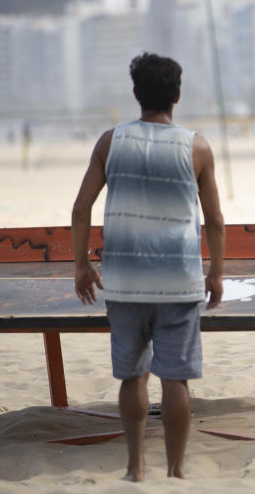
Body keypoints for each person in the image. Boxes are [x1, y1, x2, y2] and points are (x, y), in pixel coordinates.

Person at [71, 52, 225, 482]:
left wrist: (82, 265)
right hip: (178, 281)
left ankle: (135, 468)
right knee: (175, 381)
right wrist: (215, 273)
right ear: (177, 94)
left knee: (132, 376)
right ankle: (176, 471)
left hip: (123, 281)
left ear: (136, 93)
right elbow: (214, 220)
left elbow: (81, 208)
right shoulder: (196, 147)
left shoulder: (110, 142)